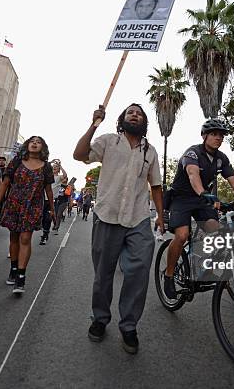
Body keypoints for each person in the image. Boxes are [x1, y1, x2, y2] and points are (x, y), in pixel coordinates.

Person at [73, 103, 164, 354]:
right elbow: (79, 155)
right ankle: (100, 319)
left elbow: (155, 185)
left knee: (138, 271)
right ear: (122, 119)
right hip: (107, 215)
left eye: (139, 113)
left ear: (144, 121)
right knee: (103, 274)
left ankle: (129, 326)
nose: (135, 115)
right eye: (130, 112)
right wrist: (94, 124)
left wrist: (160, 217)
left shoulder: (151, 151)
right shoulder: (108, 141)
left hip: (138, 219)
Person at [163, 119, 234, 299]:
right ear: (204, 136)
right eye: (214, 134)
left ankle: (207, 268)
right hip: (182, 199)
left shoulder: (222, 158)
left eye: (221, 135)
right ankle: (168, 275)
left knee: (216, 229)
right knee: (181, 235)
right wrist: (203, 192)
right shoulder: (193, 152)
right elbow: (192, 173)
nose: (218, 138)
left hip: (202, 200)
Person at [0, 136, 55, 294]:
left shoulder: (46, 167)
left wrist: (52, 210)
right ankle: (14, 268)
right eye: (32, 141)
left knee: (25, 238)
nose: (35, 143)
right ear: (27, 145)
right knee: (14, 238)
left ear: (43, 147)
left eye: (39, 142)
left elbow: (48, 190)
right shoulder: (16, 161)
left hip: (33, 206)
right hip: (13, 204)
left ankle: (21, 278)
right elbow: (5, 184)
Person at [40, 160, 66, 245]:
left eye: (56, 167)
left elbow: (65, 175)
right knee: (42, 218)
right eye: (53, 166)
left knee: (48, 218)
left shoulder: (59, 177)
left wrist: (60, 166)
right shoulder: (47, 176)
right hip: (43, 199)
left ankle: (44, 235)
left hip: (53, 200)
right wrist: (50, 162)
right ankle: (46, 230)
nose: (54, 167)